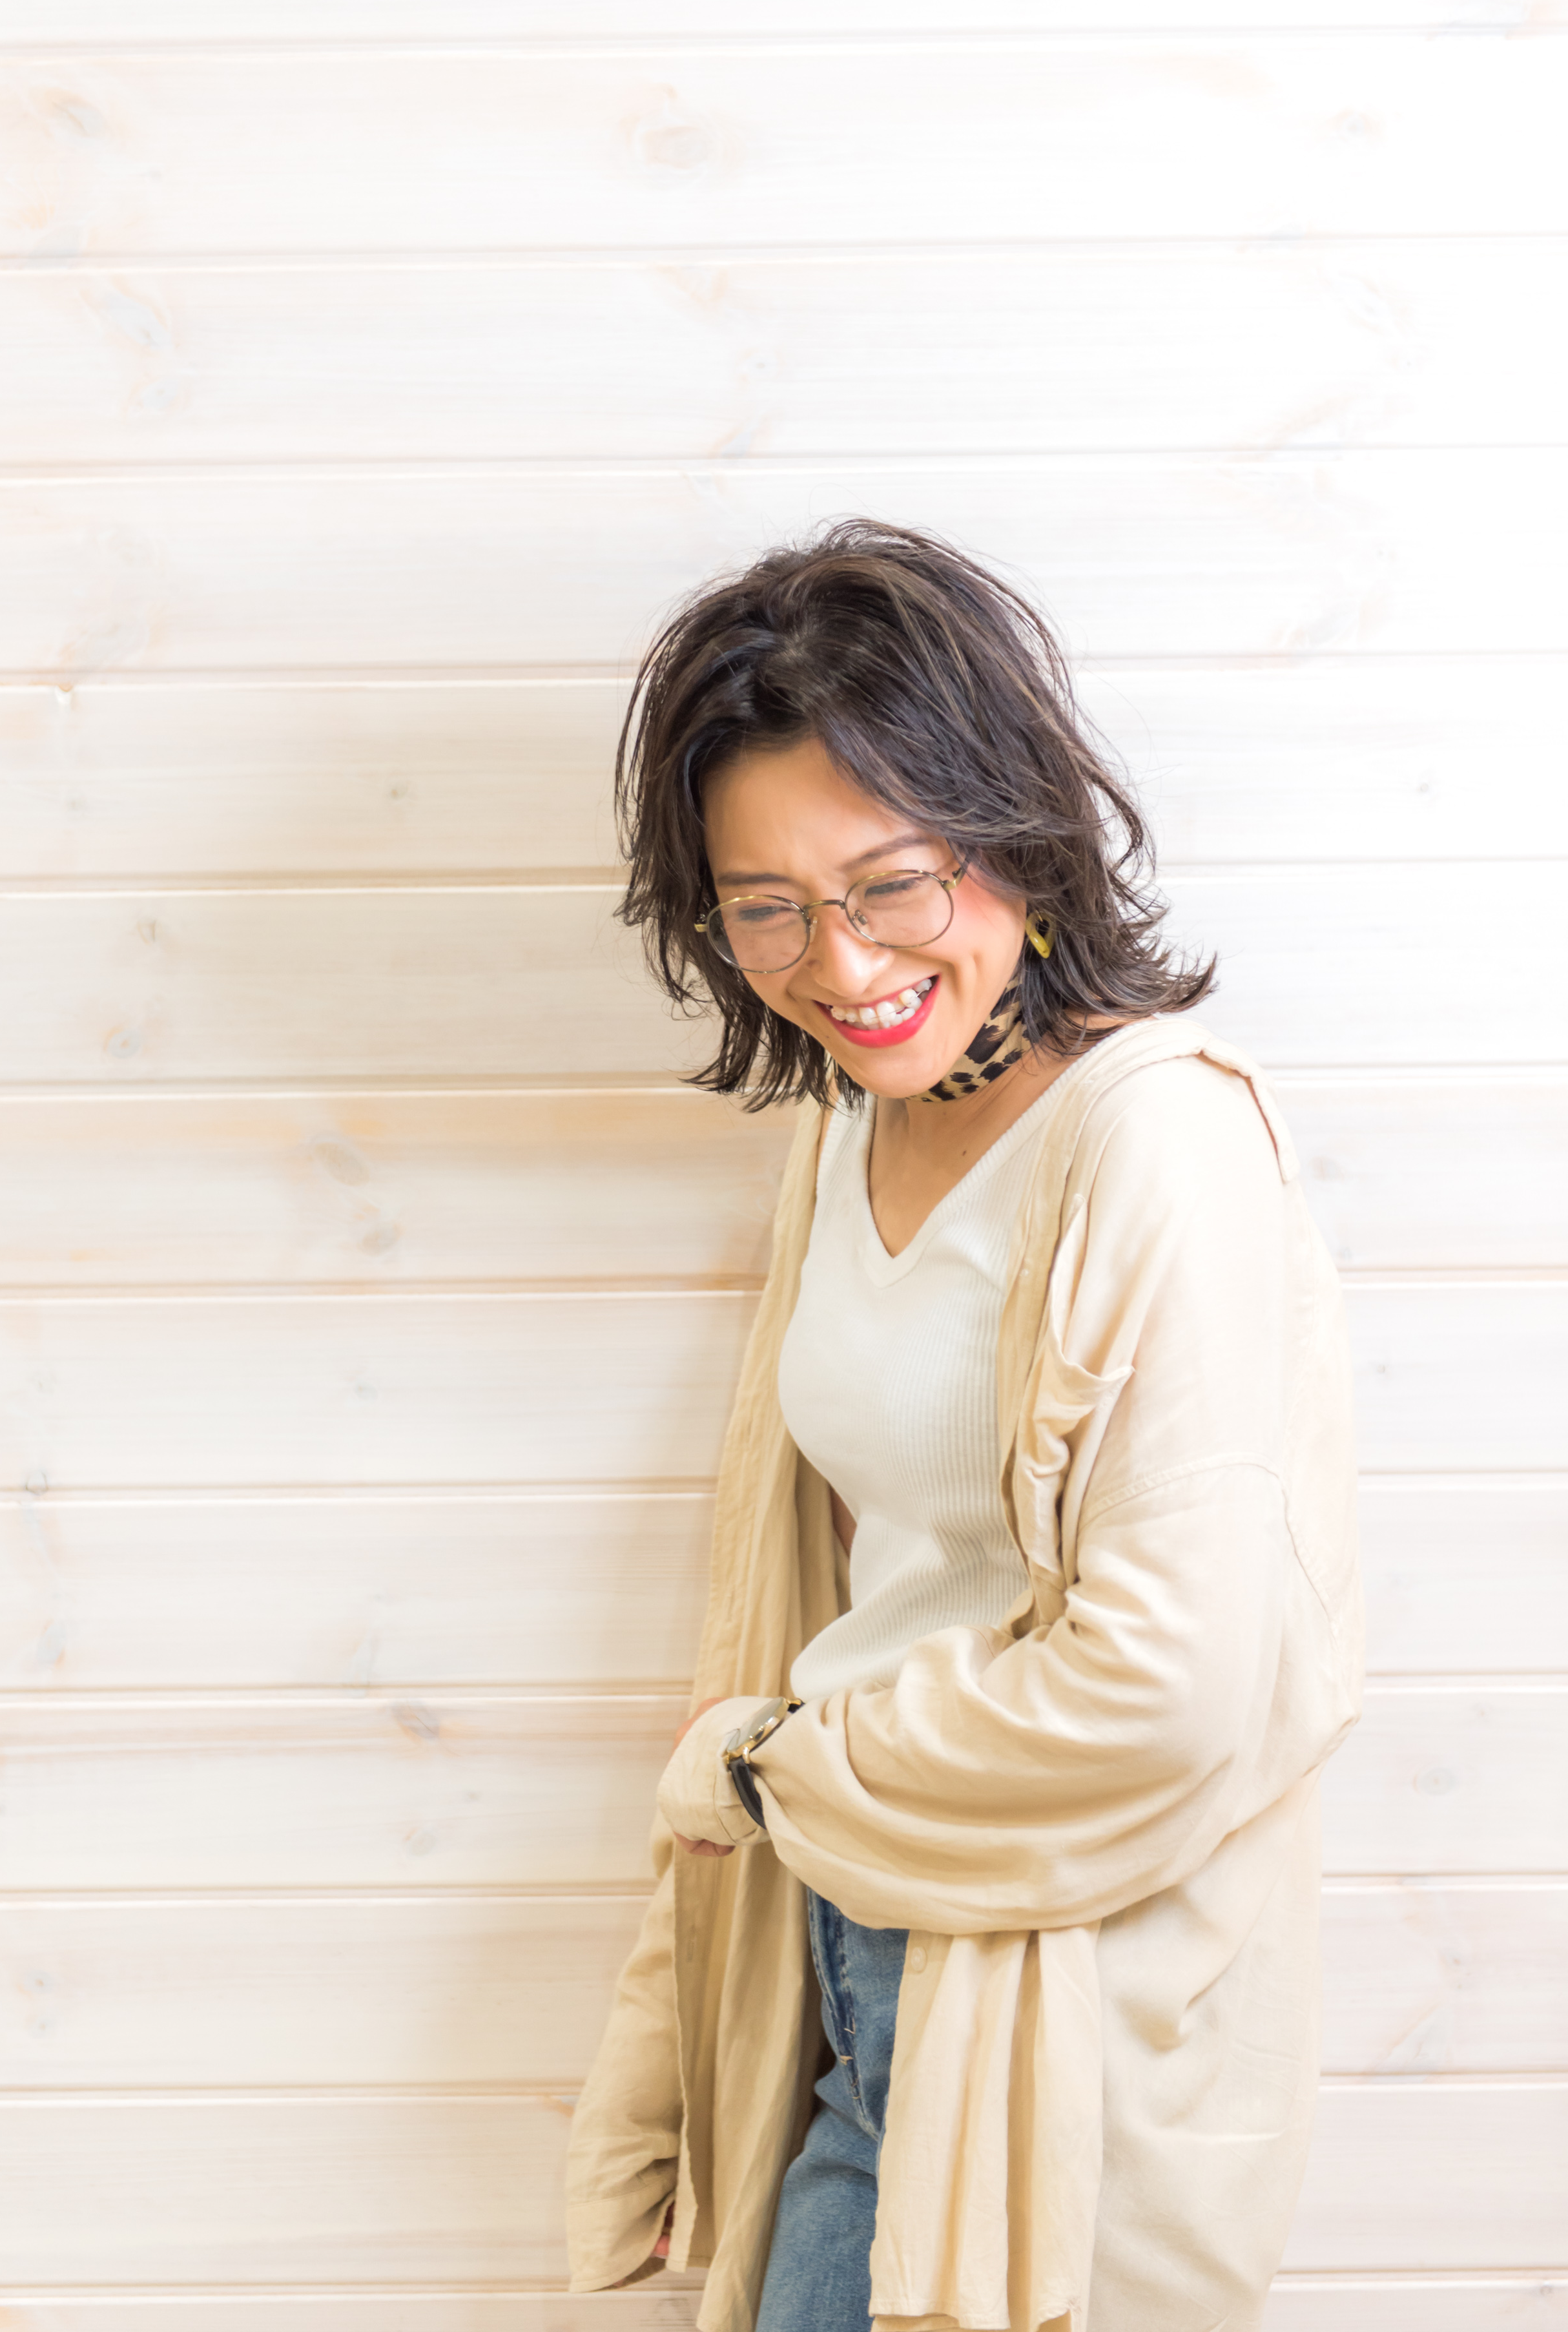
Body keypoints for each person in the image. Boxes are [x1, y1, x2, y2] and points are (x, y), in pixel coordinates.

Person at [565, 521, 1362, 2332]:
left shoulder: (1155, 1144)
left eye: (892, 885)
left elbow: (1175, 1687)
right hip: (852, 1936)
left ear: (1013, 839)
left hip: (1056, 1987)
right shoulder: (844, 1129)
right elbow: (861, 1565)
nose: (839, 964)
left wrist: (774, 1768)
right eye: (764, 907)